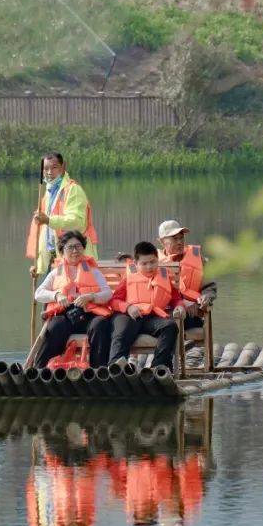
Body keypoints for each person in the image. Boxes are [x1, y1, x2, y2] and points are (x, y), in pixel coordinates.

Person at [32, 230, 112, 368]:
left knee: (100, 324)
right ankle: (41, 370)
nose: (75, 251)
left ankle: (98, 371)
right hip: (66, 315)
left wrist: (91, 297)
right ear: (62, 251)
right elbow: (39, 293)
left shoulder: (93, 271)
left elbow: (107, 293)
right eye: (70, 247)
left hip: (89, 314)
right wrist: (56, 295)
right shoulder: (56, 272)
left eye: (78, 246)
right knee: (55, 326)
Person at [107, 240, 181, 372]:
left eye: (152, 262)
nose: (149, 267)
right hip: (129, 316)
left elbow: (176, 299)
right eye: (144, 263)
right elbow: (114, 301)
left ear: (158, 260)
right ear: (136, 263)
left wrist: (180, 306)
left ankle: (159, 368)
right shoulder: (129, 279)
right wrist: (128, 307)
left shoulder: (164, 278)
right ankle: (116, 368)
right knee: (122, 331)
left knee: (170, 326)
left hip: (152, 319)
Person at [28, 152, 99, 281]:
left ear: (63, 167)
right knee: (53, 298)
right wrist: (39, 267)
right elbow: (47, 235)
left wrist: (49, 220)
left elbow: (77, 222)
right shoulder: (48, 193)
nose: (49, 172)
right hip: (57, 259)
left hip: (76, 257)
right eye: (46, 169)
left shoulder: (73, 190)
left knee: (74, 298)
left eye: (54, 167)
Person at [157, 220, 215, 320]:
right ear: (162, 242)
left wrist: (206, 297)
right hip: (165, 312)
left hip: (193, 313)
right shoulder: (153, 262)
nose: (180, 242)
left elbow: (209, 286)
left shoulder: (198, 258)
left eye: (181, 238)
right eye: (175, 239)